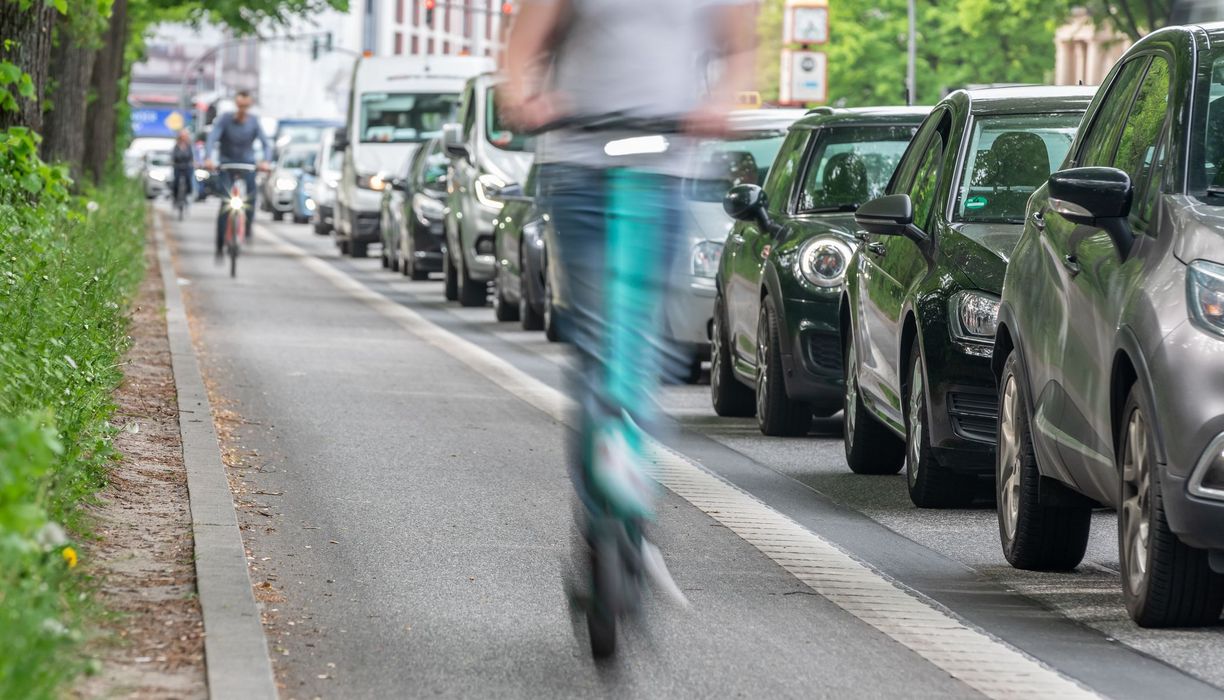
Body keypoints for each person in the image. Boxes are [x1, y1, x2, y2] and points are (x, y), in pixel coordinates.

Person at [499, 0, 756, 651]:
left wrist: (720, 103)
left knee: (636, 349)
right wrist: (523, 96)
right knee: (595, 346)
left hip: (663, 167)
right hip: (580, 164)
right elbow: (521, 50)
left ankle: (632, 505)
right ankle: (596, 518)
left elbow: (739, 50)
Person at [204, 91, 271, 256]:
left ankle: (247, 229)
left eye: (246, 106)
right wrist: (208, 158)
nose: (243, 108)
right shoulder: (225, 119)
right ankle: (220, 244)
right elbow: (212, 138)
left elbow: (266, 144)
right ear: (236, 104)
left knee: (251, 197)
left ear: (250, 105)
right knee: (225, 203)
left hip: (247, 164)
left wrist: (266, 161)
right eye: (240, 105)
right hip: (227, 164)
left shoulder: (254, 122)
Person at [170, 130, 195, 207]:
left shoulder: (189, 146)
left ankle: (187, 195)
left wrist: (193, 163)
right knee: (176, 181)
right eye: (182, 136)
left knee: (189, 180)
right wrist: (172, 162)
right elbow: (173, 156)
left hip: (187, 166)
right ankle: (175, 197)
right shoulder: (176, 146)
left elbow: (192, 157)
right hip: (178, 166)